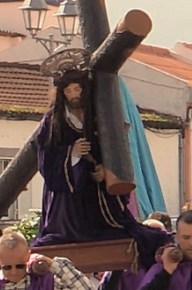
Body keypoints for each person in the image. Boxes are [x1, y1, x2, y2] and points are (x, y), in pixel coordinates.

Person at [32, 49, 169, 269]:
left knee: (121, 226)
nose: (73, 95)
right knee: (67, 229)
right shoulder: (53, 121)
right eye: (68, 91)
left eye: (77, 89)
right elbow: (46, 157)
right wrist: (72, 153)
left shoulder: (99, 114)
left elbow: (113, 147)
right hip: (69, 194)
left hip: (99, 191)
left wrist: (105, 170)